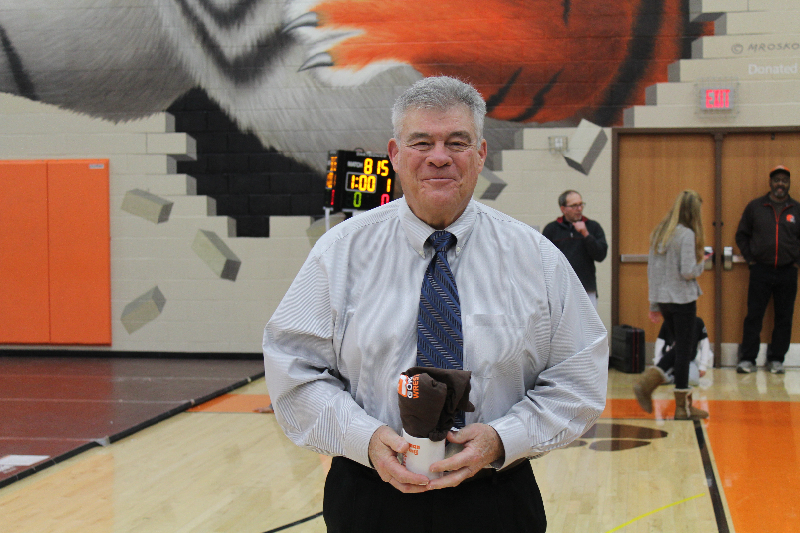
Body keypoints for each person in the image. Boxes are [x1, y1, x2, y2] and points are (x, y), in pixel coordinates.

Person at [262, 76, 609, 533]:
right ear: (395, 153)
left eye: (457, 142)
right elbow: (293, 371)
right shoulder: (339, 254)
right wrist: (365, 438)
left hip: (496, 496)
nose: (439, 156)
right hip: (369, 496)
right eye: (421, 142)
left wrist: (502, 438)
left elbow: (578, 380)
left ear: (481, 153)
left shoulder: (537, 259)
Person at [634, 190, 711, 420]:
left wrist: (654, 303)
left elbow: (652, 271)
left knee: (682, 348)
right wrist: (702, 262)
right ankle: (677, 405)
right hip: (683, 299)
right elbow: (688, 271)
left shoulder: (661, 232)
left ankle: (654, 386)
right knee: (685, 351)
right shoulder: (687, 234)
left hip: (665, 300)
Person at [735, 165, 800, 375]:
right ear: (770, 183)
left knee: (784, 317)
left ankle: (776, 359)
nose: (780, 184)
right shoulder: (755, 207)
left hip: (788, 272)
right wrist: (751, 260)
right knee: (754, 316)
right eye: (777, 180)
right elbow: (741, 235)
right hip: (760, 270)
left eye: (784, 180)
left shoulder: (797, 209)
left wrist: (796, 262)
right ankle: (747, 359)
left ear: (789, 184)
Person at [542, 190, 608, 307]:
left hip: (586, 289)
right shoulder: (551, 229)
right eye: (574, 206)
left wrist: (586, 234)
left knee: (588, 320)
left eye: (581, 204)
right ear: (563, 209)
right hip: (560, 291)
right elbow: (544, 260)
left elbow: (600, 255)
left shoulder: (593, 227)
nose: (579, 209)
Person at [653, 316, 713, 386]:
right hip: (668, 361)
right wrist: (657, 363)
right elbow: (660, 342)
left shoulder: (698, 322)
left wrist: (703, 366)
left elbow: (704, 344)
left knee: (693, 381)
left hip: (688, 361)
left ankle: (676, 378)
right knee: (656, 378)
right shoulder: (668, 322)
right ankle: (674, 378)